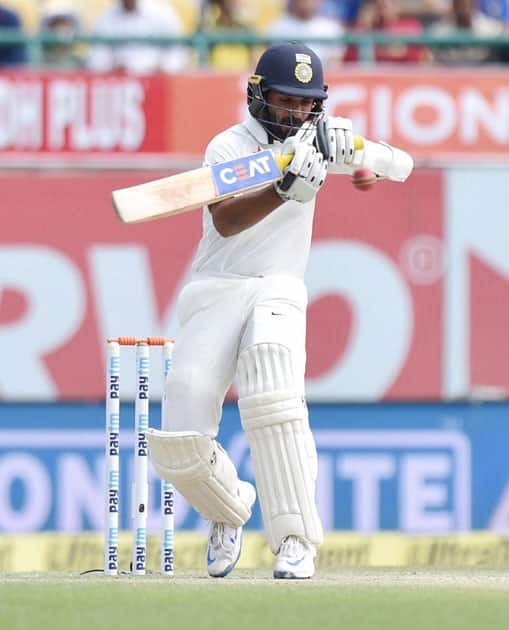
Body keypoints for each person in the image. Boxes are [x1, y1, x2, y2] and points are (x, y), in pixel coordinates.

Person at [146, 42, 357, 579]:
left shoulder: (321, 135)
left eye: (304, 104)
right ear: (259, 95)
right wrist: (284, 191)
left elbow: (376, 168)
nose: (293, 113)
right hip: (216, 285)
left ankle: (295, 540)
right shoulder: (227, 147)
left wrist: (361, 166)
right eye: (284, 100)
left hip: (279, 285)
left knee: (274, 391)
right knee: (179, 439)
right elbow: (226, 220)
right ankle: (228, 508)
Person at [87, 0, 188, 74]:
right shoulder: (105, 17)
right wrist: (113, 68)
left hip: (158, 83)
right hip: (120, 86)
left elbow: (177, 52)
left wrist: (162, 69)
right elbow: (97, 59)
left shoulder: (163, 13)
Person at [264, 0, 345, 68]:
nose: (308, 3)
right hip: (286, 78)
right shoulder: (277, 27)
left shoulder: (331, 28)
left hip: (322, 78)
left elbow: (335, 62)